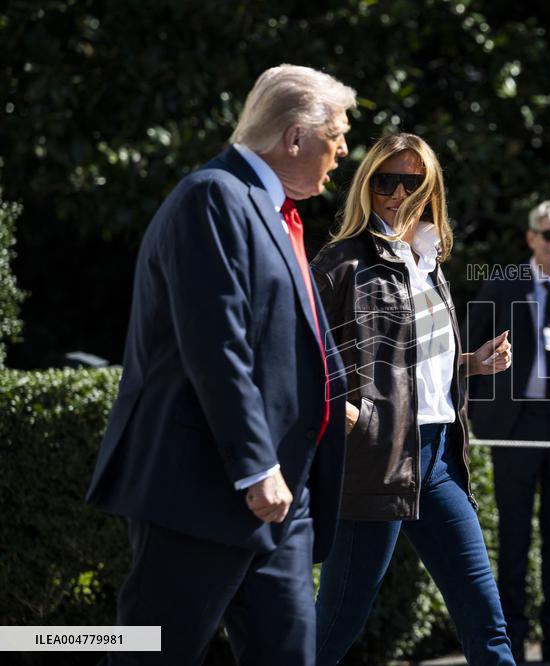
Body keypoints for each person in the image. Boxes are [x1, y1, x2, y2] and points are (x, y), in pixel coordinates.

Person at [85, 65, 356, 664]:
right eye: (335, 137)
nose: (341, 154)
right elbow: (216, 342)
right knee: (149, 655)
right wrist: (255, 466)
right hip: (208, 487)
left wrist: (337, 401)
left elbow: (291, 332)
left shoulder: (271, 207)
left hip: (284, 498)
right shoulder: (213, 196)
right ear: (294, 138)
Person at [310, 133, 516, 666]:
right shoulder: (342, 262)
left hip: (441, 457)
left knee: (485, 618)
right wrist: (347, 414)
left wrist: (472, 362)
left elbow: (405, 360)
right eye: (385, 179)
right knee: (334, 627)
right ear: (367, 183)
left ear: (429, 189)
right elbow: (300, 355)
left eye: (411, 181)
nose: (397, 192)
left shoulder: (426, 259)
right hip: (374, 460)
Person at [464, 197, 550, 663]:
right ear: (530, 238)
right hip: (515, 424)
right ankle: (512, 639)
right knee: (515, 534)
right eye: (548, 234)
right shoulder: (503, 285)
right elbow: (470, 348)